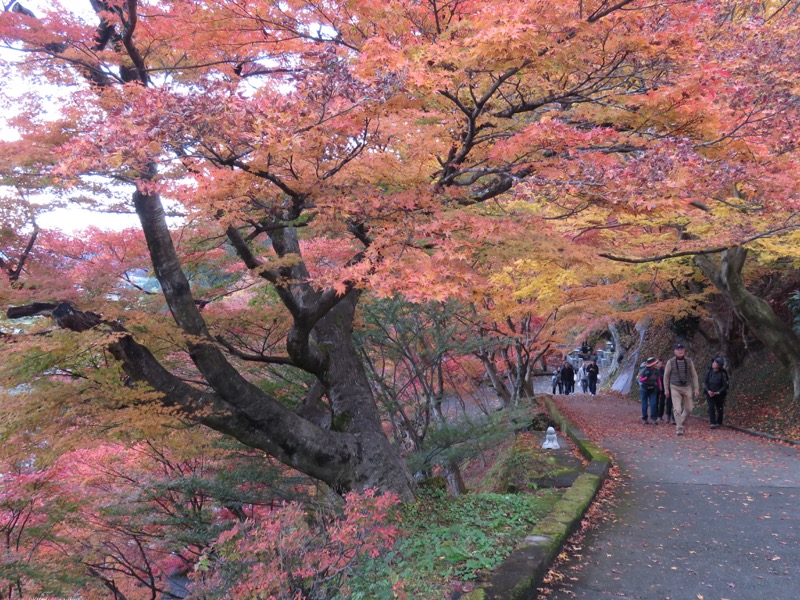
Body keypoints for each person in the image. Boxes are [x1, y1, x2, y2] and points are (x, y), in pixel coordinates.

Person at [663, 343, 699, 436]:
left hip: (687, 387)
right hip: (675, 387)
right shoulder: (670, 362)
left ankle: (680, 421)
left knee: (689, 409)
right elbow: (666, 376)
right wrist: (666, 389)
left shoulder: (689, 361)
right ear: (674, 351)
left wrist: (696, 388)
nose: (680, 351)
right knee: (677, 409)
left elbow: (694, 375)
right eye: (678, 349)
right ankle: (679, 428)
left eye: (682, 349)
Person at [703, 357, 730, 428]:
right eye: (713, 362)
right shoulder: (709, 372)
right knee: (711, 407)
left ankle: (719, 422)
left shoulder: (722, 374)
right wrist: (708, 391)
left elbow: (725, 386)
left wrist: (718, 392)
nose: (713, 364)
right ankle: (712, 423)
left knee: (719, 408)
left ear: (719, 365)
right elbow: (705, 382)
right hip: (710, 393)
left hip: (719, 394)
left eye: (715, 363)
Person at [637, 357, 660, 424]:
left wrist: (660, 387)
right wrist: (646, 377)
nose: (656, 364)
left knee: (653, 404)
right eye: (655, 363)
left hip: (652, 388)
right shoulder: (644, 370)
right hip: (644, 389)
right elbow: (640, 379)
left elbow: (658, 380)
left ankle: (653, 419)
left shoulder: (656, 370)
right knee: (644, 404)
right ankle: (644, 419)